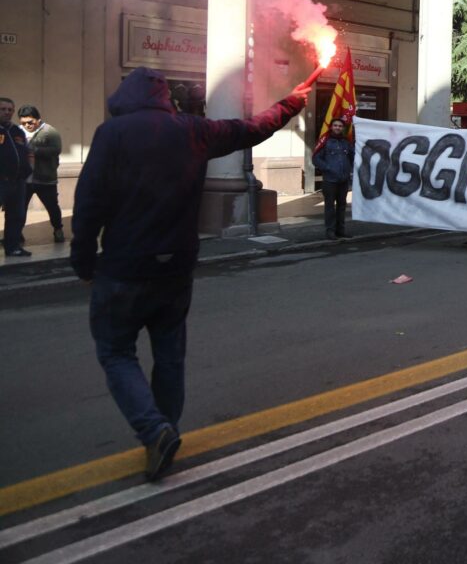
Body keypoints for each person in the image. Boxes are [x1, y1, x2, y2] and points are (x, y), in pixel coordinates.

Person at [71, 67, 311, 481]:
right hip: (177, 265)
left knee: (115, 352)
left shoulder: (112, 134)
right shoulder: (192, 130)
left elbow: (89, 200)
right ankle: (166, 431)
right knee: (169, 355)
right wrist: (292, 101)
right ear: (166, 97)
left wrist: (82, 259)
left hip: (125, 265)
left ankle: (155, 430)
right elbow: (253, 128)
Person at [19, 105, 65, 243]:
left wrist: (33, 149)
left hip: (45, 178)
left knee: (52, 207)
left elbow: (56, 149)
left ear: (38, 119)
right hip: (25, 179)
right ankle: (16, 233)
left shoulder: (49, 132)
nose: (27, 125)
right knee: (20, 208)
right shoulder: (18, 131)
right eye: (24, 122)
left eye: (30, 122)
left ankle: (58, 229)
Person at [1, 97, 34, 256]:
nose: (7, 112)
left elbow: (27, 152)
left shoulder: (17, 131)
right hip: (1, 181)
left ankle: (13, 247)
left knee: (17, 216)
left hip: (18, 182)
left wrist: (27, 171)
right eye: (3, 109)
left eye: (10, 110)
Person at [312, 117, 354, 240]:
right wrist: (328, 168)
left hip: (343, 180)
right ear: (331, 127)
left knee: (342, 206)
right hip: (330, 180)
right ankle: (330, 232)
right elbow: (316, 158)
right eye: (335, 125)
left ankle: (341, 230)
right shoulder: (325, 141)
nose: (338, 127)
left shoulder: (346, 142)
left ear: (343, 128)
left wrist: (349, 169)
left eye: (340, 126)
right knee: (329, 207)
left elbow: (353, 156)